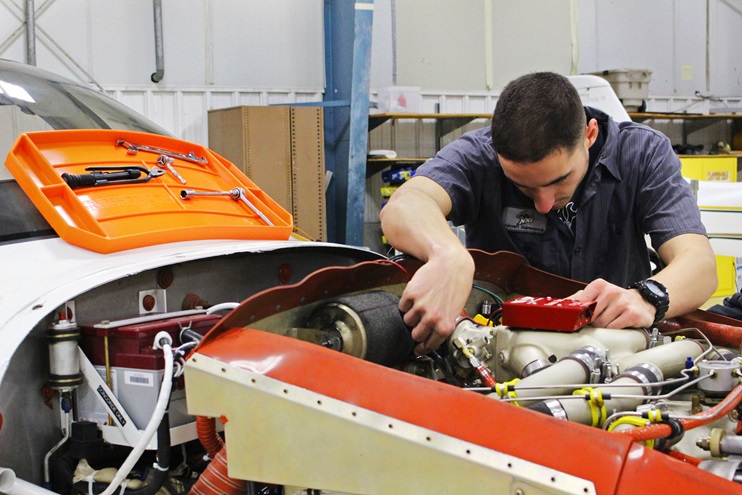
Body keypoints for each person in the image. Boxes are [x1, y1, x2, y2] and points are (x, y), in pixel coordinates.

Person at [380, 71, 717, 356]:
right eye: (523, 187)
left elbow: (699, 265)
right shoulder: (478, 156)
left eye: (559, 180)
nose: (542, 203)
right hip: (502, 350)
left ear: (589, 134)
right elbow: (407, 203)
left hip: (616, 352)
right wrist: (448, 255)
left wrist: (646, 298)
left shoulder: (642, 153)